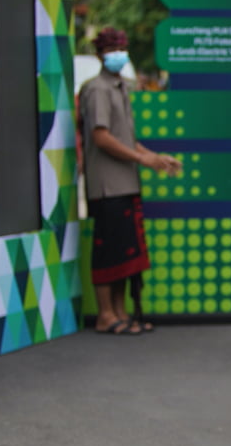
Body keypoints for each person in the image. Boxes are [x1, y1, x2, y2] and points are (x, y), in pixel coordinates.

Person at [78, 27, 182, 335]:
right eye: (112, 49)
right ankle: (105, 314)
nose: (118, 55)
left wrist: (155, 158)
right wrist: (141, 159)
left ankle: (121, 312)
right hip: (107, 186)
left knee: (126, 253)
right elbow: (101, 136)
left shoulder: (122, 87)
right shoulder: (96, 89)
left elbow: (127, 139)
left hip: (127, 183)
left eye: (121, 48)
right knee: (108, 250)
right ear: (99, 54)